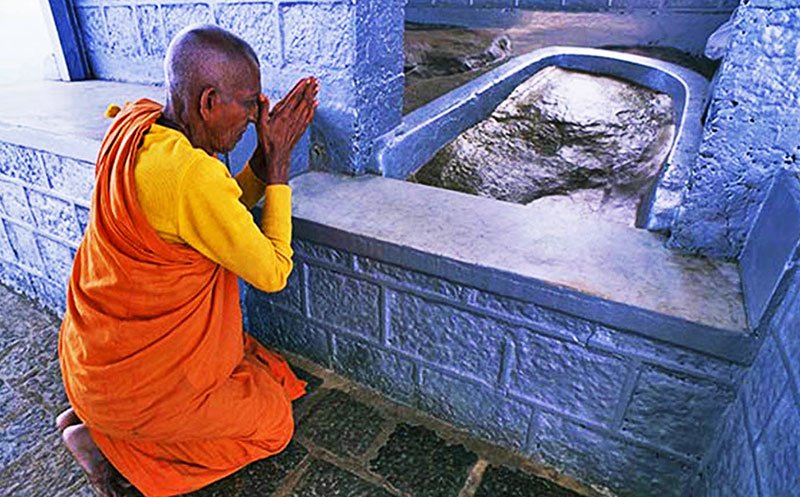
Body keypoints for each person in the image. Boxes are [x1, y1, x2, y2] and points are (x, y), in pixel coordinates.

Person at [56, 24, 319, 497]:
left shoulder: (133, 126)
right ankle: (104, 443)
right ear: (209, 102)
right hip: (134, 390)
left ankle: (101, 418)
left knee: (247, 372)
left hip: (92, 362)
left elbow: (213, 214)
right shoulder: (191, 175)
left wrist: (260, 154)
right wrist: (278, 165)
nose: (257, 115)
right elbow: (273, 271)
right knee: (273, 425)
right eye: (250, 102)